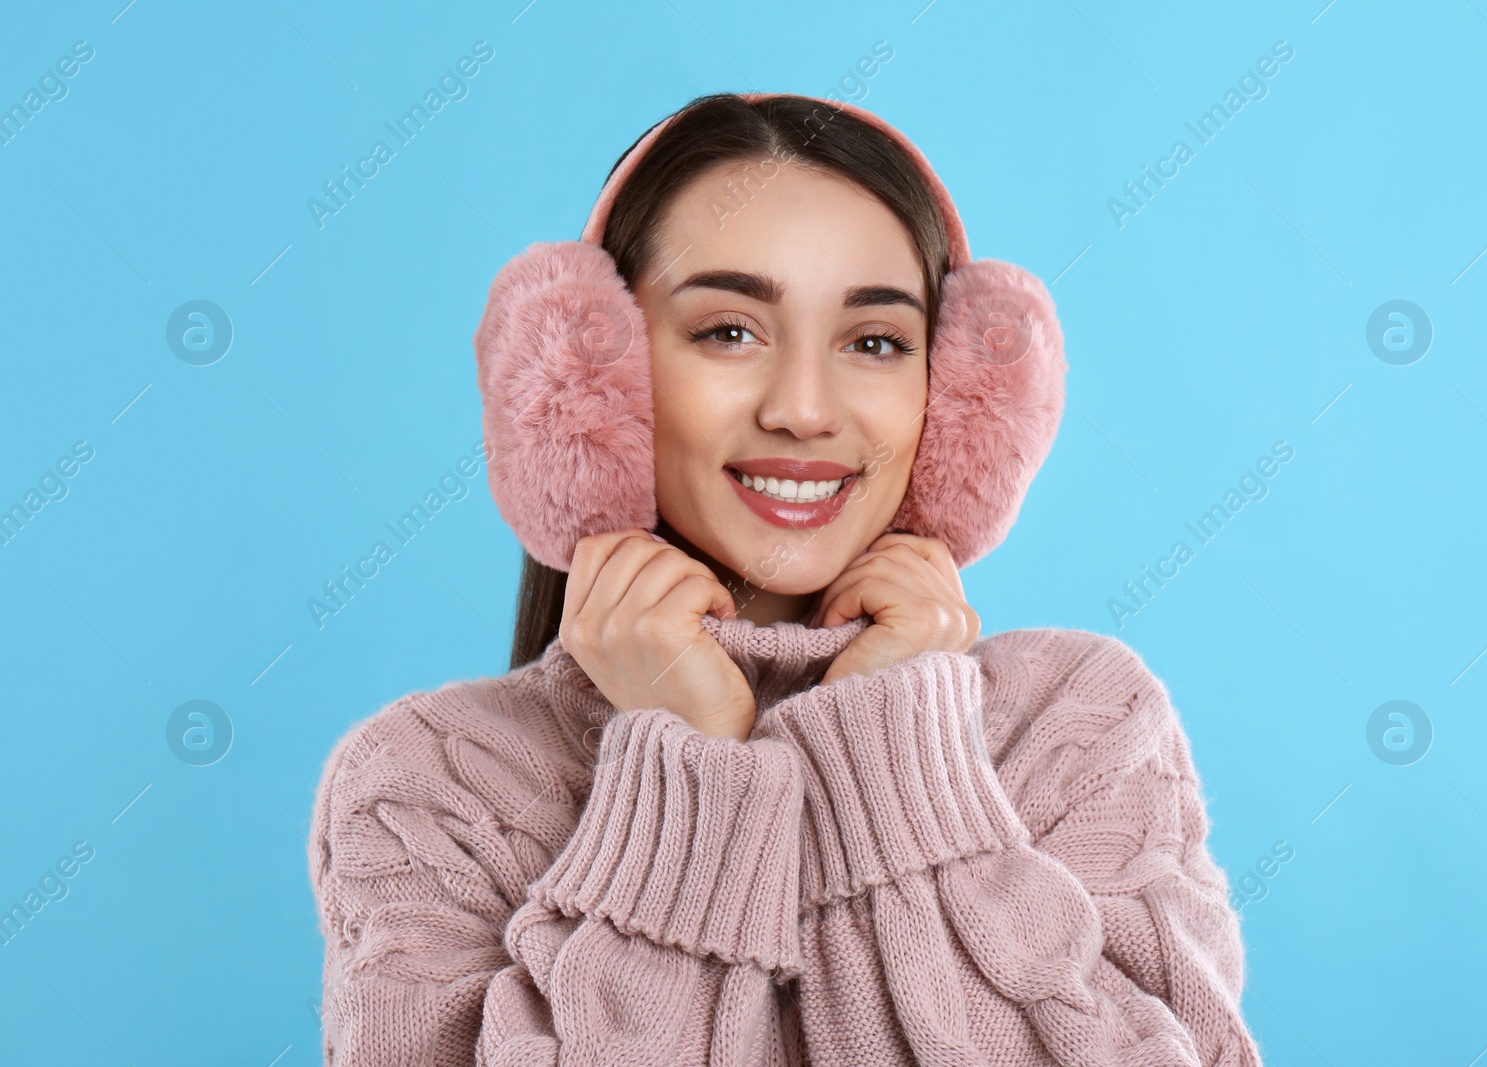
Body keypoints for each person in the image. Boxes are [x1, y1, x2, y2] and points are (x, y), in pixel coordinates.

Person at [307, 91, 1266, 1066]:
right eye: (728, 331)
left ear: (958, 401)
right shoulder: (430, 786)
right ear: (596, 385)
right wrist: (687, 767)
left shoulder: (1078, 728)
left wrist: (890, 744)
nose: (805, 410)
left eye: (875, 341)